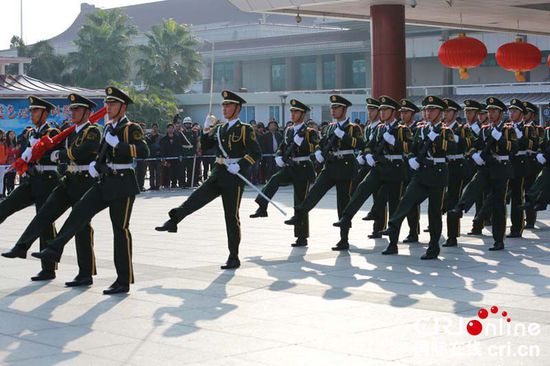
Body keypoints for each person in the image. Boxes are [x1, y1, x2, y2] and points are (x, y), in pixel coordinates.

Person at [31, 86, 150, 295]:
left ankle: (123, 280)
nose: (109, 107)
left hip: (123, 183)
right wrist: (97, 164)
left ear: (123, 107)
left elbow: (143, 151)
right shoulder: (107, 128)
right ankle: (54, 248)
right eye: (108, 103)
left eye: (113, 104)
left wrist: (120, 145)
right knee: (80, 212)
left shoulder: (130, 128)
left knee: (119, 230)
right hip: (105, 181)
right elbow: (103, 152)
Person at [3, 94, 101, 287]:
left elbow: (79, 151)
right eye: (71, 109)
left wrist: (54, 152)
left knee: (80, 228)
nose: (72, 112)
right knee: (41, 215)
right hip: (64, 179)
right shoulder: (69, 132)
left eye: (76, 109)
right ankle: (22, 246)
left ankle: (84, 272)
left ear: (87, 112)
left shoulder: (90, 130)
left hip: (78, 182)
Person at [155, 91, 261, 270]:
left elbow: (255, 153)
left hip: (234, 177)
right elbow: (205, 146)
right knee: (195, 199)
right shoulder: (219, 129)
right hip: (218, 172)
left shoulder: (244, 129)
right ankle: (173, 221)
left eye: (228, 105)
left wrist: (241, 164)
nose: (225, 109)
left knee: (231, 216)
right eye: (224, 106)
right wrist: (205, 130)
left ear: (237, 108)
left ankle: (233, 256)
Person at [285, 95, 365, 251]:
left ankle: (344, 238)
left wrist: (346, 137)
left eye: (336, 107)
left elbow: (361, 144)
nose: (333, 110)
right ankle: (299, 215)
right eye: (332, 108)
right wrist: (319, 152)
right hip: (330, 166)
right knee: (314, 192)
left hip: (346, 166)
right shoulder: (330, 127)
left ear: (344, 109)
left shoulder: (353, 127)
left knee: (343, 202)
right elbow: (320, 144)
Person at [333, 96, 412, 254]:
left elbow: (410, 147)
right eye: (381, 110)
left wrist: (394, 142)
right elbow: (369, 145)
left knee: (394, 204)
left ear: (393, 112)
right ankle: (346, 217)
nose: (382, 113)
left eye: (385, 110)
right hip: (380, 166)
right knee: (363, 188)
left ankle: (393, 243)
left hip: (396, 168)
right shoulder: (379, 129)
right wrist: (367, 154)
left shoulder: (402, 129)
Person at [380, 95, 455, 259]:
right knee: (407, 198)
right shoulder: (421, 129)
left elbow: (451, 148)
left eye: (432, 109)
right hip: (421, 172)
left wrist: (438, 141)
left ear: (440, 112)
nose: (428, 112)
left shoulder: (446, 131)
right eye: (426, 109)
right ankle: (393, 226)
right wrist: (412, 158)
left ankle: (433, 247)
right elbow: (413, 148)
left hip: (438, 172)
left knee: (434, 212)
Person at [0, 96, 61, 281]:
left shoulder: (52, 132)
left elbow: (51, 152)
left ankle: (48, 268)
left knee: (44, 223)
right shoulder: (31, 133)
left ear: (45, 113)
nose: (32, 114)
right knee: (7, 205)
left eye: (35, 111)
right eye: (31, 111)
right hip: (30, 180)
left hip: (47, 180)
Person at [448, 97, 518, 251]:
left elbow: (513, 148)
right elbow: (473, 145)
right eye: (489, 111)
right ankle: (460, 208)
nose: (491, 114)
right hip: (487, 166)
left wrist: (500, 139)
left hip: (501, 168)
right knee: (474, 184)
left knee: (498, 205)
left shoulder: (508, 130)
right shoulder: (485, 130)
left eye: (494, 111)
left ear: (501, 113)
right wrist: (474, 155)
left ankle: (498, 240)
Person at [249, 99, 318, 247]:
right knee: (274, 179)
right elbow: (283, 145)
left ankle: (301, 237)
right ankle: (262, 206)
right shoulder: (289, 130)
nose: (293, 114)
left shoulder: (309, 131)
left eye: (296, 112)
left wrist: (303, 142)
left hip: (303, 167)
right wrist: (279, 155)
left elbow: (314, 147)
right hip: (290, 166)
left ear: (303, 114)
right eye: (292, 111)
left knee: (300, 200)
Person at [441, 98, 474, 247]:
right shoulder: (439, 127)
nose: (445, 114)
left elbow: (468, 144)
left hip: (458, 166)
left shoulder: (462, 128)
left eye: (448, 111)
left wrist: (452, 137)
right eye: (444, 111)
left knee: (453, 200)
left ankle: (452, 236)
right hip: (444, 167)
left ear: (455, 114)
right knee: (443, 199)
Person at [507, 99, 536, 238]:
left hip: (521, 164)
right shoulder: (506, 127)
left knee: (518, 197)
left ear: (522, 114)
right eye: (510, 111)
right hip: (508, 164)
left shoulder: (528, 128)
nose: (511, 114)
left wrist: (519, 135)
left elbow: (532, 144)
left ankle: (517, 227)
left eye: (515, 111)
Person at [160, 123, 182, 189]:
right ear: (167, 129)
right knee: (166, 171)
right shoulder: (163, 139)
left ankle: (174, 184)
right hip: (167, 158)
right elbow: (162, 149)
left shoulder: (177, 138)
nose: (171, 129)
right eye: (169, 128)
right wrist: (163, 158)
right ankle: (166, 184)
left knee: (175, 171)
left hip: (175, 158)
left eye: (172, 128)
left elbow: (179, 148)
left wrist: (179, 155)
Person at [146, 122, 162, 190]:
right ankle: (152, 186)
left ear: (157, 128)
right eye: (153, 128)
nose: (154, 129)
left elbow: (162, 146)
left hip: (158, 157)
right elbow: (147, 146)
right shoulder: (148, 137)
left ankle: (158, 185)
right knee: (151, 173)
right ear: (152, 128)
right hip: (151, 157)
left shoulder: (160, 137)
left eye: (156, 127)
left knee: (158, 173)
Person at [3, 130, 20, 196]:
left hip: (14, 162)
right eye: (11, 134)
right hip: (6, 163)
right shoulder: (5, 143)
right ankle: (7, 191)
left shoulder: (15, 143)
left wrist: (17, 150)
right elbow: (7, 153)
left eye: (13, 134)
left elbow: (17, 153)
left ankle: (12, 192)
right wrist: (14, 150)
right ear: (8, 135)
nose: (12, 136)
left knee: (13, 178)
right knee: (7, 178)